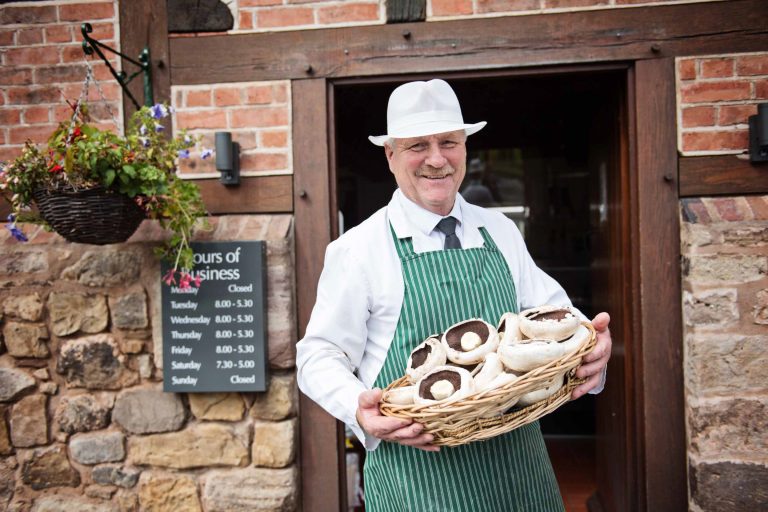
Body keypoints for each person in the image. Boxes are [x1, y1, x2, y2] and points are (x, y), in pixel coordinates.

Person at [296, 79, 612, 511]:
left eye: (449, 142)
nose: (437, 159)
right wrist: (359, 409)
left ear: (465, 148)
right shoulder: (358, 250)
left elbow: (559, 317)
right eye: (417, 146)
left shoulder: (499, 230)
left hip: (518, 470)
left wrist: (592, 346)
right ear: (390, 155)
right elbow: (318, 354)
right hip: (420, 477)